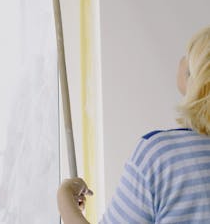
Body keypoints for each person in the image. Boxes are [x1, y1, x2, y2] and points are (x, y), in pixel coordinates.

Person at [57, 26, 210, 223]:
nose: (181, 61)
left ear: (195, 78)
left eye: (187, 56)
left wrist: (65, 197)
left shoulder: (162, 156)